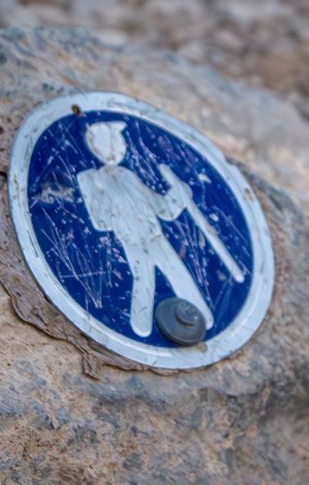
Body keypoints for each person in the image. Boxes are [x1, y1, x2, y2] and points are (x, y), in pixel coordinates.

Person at [76, 121, 214, 338]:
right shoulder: (93, 181)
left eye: (119, 141)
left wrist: (179, 194)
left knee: (178, 273)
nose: (119, 146)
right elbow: (100, 222)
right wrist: (99, 191)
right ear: (98, 148)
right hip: (132, 240)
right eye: (113, 141)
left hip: (155, 235)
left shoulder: (128, 176)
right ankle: (139, 327)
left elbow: (161, 208)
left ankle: (202, 317)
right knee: (144, 280)